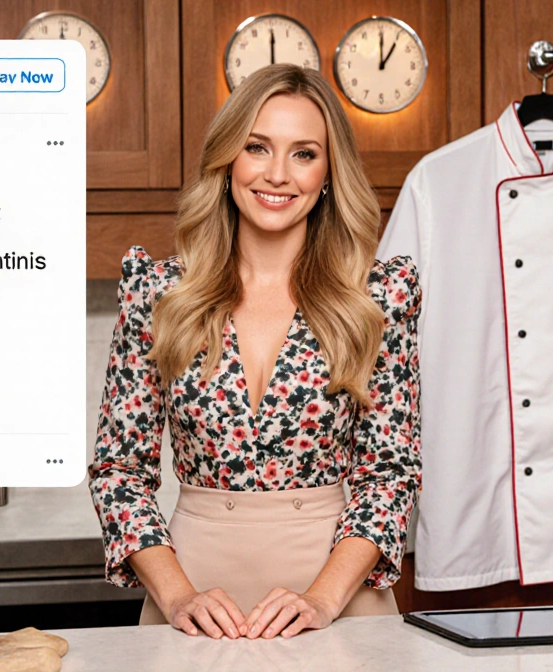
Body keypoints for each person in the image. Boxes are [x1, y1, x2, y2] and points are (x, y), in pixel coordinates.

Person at [88, 64, 421, 641]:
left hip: (339, 596)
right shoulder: (159, 293)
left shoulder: (376, 297)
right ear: (228, 161)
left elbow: (389, 473)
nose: (276, 174)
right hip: (193, 601)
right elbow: (119, 469)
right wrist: (176, 594)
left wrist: (322, 600)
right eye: (257, 147)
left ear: (328, 173)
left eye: (304, 154)